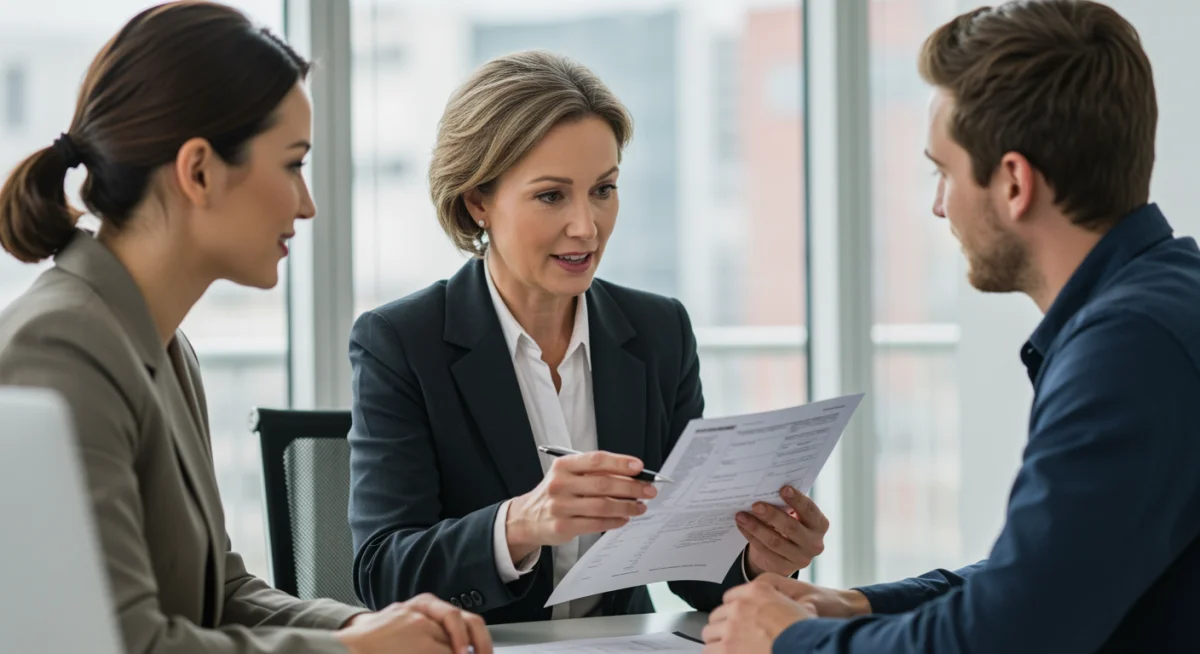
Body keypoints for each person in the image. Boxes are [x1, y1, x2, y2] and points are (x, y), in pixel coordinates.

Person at [701, 1, 1200, 652]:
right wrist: (858, 604)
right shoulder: (1167, 298)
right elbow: (1050, 574)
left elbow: (1007, 636)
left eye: (943, 171)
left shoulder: (1126, 348)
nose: (939, 206)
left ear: (1014, 183)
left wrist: (789, 643)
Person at [0, 3, 491, 654]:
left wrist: (357, 625)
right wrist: (353, 652)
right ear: (199, 171)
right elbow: (119, 643)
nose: (308, 204)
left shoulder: (162, 345)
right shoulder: (62, 347)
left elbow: (222, 590)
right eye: (292, 164)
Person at [347, 50, 831, 625]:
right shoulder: (402, 342)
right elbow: (383, 574)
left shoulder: (658, 332)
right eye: (552, 195)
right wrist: (521, 523)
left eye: (603, 189)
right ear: (478, 200)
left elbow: (689, 566)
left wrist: (758, 557)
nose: (587, 226)